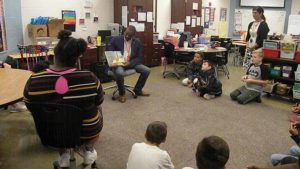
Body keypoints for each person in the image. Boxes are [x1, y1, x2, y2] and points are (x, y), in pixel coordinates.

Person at [23, 30, 104, 168]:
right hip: (86, 131)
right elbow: (99, 101)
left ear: (54, 55)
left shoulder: (34, 80)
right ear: (78, 58)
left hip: (50, 132)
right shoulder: (90, 77)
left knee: (59, 117)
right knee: (98, 107)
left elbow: (30, 105)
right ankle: (89, 150)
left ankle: (63, 156)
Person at [108, 25, 150, 103]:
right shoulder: (116, 39)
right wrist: (116, 60)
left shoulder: (137, 42)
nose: (126, 36)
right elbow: (110, 51)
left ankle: (138, 90)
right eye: (126, 33)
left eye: (129, 35)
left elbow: (139, 58)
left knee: (146, 70)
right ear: (124, 32)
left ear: (133, 36)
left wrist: (129, 63)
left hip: (131, 63)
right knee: (120, 73)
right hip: (119, 63)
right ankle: (122, 93)